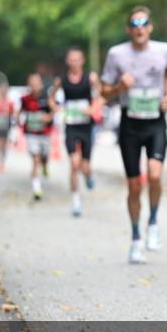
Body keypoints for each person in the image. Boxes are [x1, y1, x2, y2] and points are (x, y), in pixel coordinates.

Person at [100, 6, 167, 264]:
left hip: (155, 122)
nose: (139, 27)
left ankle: (153, 223)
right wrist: (120, 86)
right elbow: (104, 91)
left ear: (150, 27)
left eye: (144, 22)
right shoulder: (116, 54)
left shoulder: (163, 50)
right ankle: (135, 239)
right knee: (134, 186)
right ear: (128, 29)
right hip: (129, 124)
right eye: (134, 23)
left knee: (154, 175)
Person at [54, 47, 100, 217]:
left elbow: (101, 96)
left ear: (83, 60)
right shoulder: (62, 80)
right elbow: (52, 97)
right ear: (67, 61)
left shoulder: (91, 78)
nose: (74, 62)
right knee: (74, 164)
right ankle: (76, 203)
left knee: (84, 166)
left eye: (77, 59)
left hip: (87, 127)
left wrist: (93, 108)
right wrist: (56, 108)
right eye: (71, 59)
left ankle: (88, 176)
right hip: (71, 127)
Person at [19, 73, 55, 200]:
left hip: (44, 134)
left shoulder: (46, 97)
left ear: (40, 84)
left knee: (44, 157)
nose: (34, 85)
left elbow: (55, 109)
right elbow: (20, 111)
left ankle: (45, 166)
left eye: (37, 82)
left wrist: (48, 117)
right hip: (31, 133)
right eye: (32, 83)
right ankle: (36, 188)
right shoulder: (25, 99)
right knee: (35, 159)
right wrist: (17, 119)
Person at [0, 84, 15, 173]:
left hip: (6, 123)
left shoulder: (9, 101)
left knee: (4, 142)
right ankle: (0, 159)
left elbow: (12, 113)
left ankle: (2, 160)